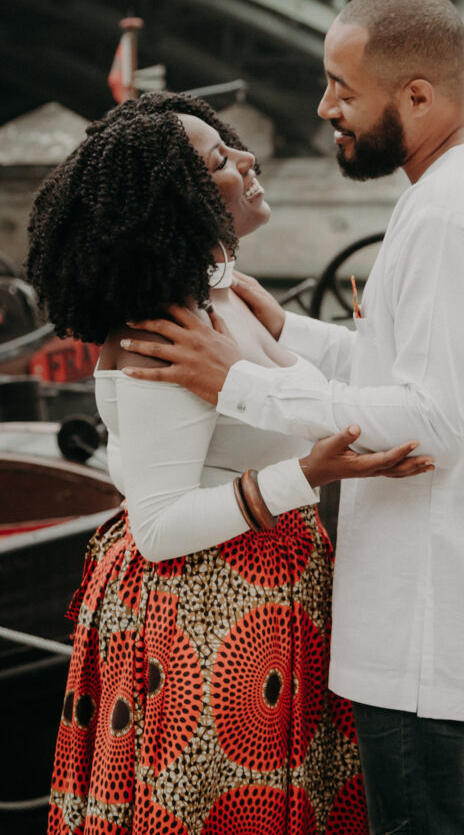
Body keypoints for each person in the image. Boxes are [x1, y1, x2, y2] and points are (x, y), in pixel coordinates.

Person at [122, 0, 464, 834]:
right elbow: (433, 372)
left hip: (425, 630)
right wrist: (289, 331)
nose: (324, 105)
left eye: (342, 87)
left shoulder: (445, 213)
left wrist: (239, 383)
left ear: (416, 95)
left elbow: (434, 421)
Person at [26, 90, 435, 835]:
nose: (246, 160)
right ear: (173, 202)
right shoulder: (162, 331)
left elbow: (312, 402)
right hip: (203, 619)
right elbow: (155, 527)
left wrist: (372, 448)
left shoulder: (230, 299)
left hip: (271, 596)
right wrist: (306, 477)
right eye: (219, 160)